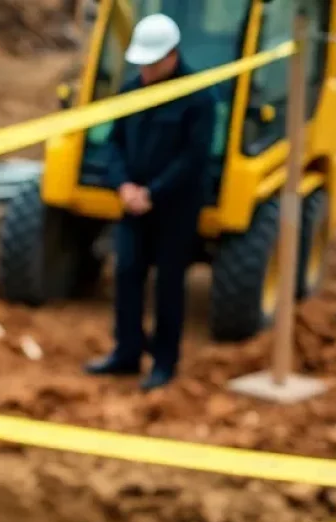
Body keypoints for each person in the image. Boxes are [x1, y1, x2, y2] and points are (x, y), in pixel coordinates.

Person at [85, 13, 215, 392]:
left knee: (169, 283)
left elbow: (193, 159)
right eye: (141, 64)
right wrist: (122, 185)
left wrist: (153, 192)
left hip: (174, 207)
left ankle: (164, 362)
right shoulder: (130, 92)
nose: (145, 71)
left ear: (172, 56)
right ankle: (126, 352)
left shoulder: (198, 98)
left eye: (152, 63)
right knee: (126, 274)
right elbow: (115, 144)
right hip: (133, 204)